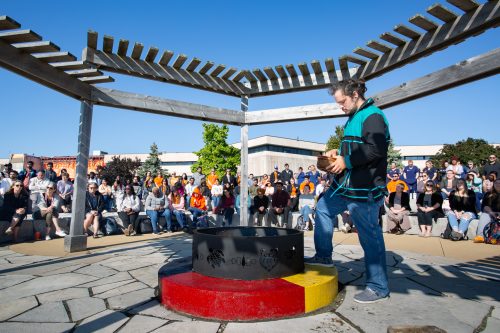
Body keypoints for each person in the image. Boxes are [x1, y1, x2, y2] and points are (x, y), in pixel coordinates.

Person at [306, 79, 390, 304]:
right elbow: (355, 147)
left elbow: (376, 149)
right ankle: (324, 257)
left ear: (355, 94)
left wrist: (347, 160)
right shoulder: (352, 117)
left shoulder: (372, 115)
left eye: (342, 101)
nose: (340, 106)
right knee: (322, 208)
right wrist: (338, 151)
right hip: (345, 186)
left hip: (365, 188)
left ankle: (378, 286)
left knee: (369, 235)